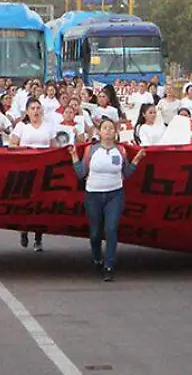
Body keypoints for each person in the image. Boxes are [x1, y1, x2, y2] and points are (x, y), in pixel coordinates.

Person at [72, 118, 145, 282]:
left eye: (111, 128)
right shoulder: (91, 150)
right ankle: (97, 257)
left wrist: (136, 160)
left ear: (115, 132)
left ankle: (109, 265)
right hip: (93, 195)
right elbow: (81, 172)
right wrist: (73, 156)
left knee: (111, 229)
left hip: (115, 195)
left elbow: (126, 173)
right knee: (96, 232)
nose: (108, 131)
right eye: (105, 128)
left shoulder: (121, 150)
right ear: (99, 132)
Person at [9, 100, 54, 252]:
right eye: (32, 108)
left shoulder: (48, 127)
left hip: (44, 171)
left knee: (40, 205)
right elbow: (12, 145)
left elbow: (55, 148)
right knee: (25, 203)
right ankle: (23, 230)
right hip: (26, 170)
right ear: (27, 111)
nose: (36, 111)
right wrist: (27, 152)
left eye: (38, 108)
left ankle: (38, 238)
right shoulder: (22, 126)